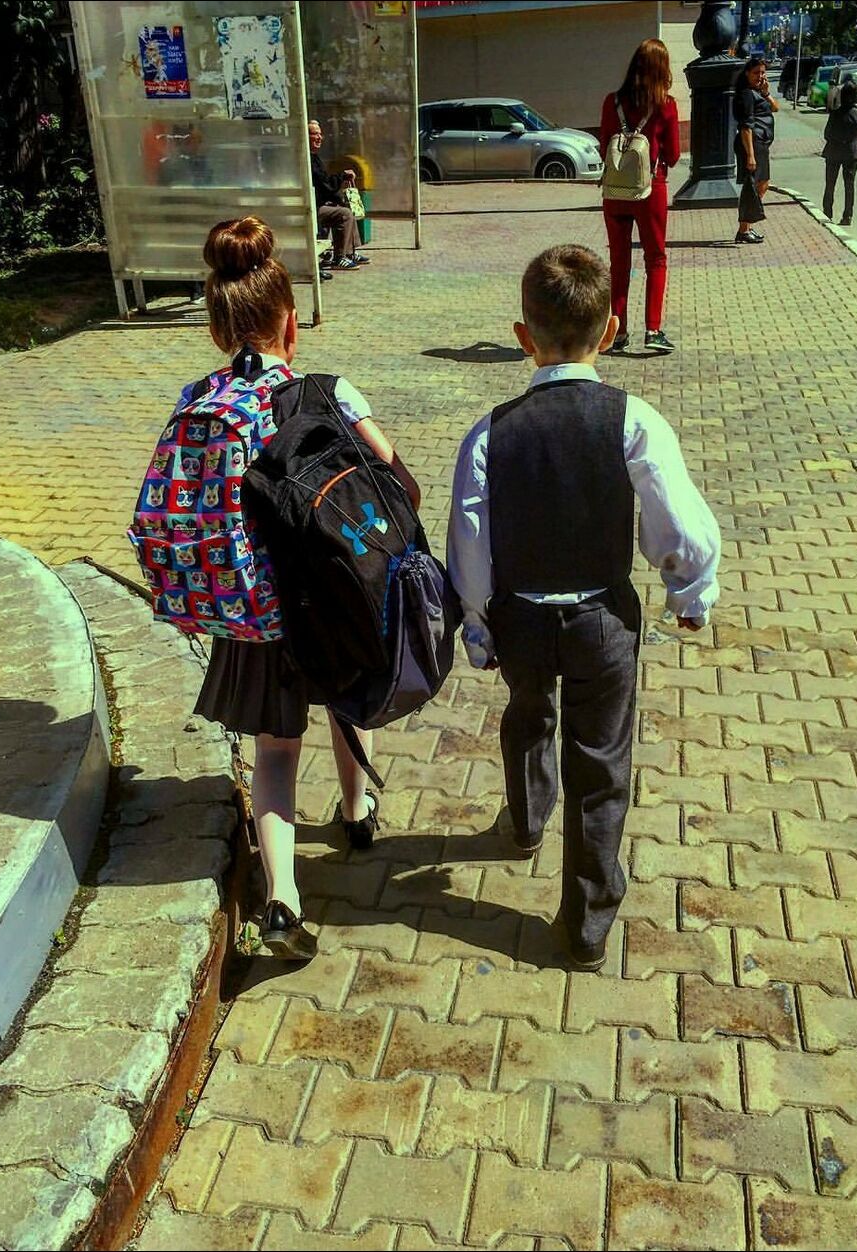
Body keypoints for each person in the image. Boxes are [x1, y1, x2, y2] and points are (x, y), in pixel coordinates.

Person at [447, 244, 720, 970]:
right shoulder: (634, 420)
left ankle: (526, 820)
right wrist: (689, 591)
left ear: (522, 336)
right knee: (601, 766)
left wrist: (477, 623)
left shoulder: (490, 432)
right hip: (603, 618)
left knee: (527, 712)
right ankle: (588, 924)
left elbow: (469, 541)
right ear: (611, 329)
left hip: (521, 617)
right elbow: (677, 520)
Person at [192, 216, 420, 960]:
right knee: (350, 705)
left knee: (275, 756)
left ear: (219, 328)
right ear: (291, 324)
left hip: (257, 611)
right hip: (336, 597)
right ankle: (357, 811)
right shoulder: (328, 391)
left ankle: (283, 903)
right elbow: (401, 483)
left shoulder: (200, 402)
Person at [599, 38, 681, 355]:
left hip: (615, 192)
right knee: (655, 258)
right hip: (650, 190)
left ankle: (618, 331)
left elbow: (605, 146)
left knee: (619, 263)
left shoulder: (611, 102)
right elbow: (673, 155)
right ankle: (653, 329)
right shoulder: (666, 105)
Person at [308, 119, 370, 271]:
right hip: (311, 208)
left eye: (320, 134)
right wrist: (342, 176)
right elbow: (325, 185)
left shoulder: (313, 157)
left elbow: (324, 185)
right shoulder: (307, 159)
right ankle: (340, 257)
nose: (319, 138)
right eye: (315, 134)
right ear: (305, 136)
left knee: (345, 207)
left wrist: (339, 199)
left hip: (316, 204)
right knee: (344, 214)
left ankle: (350, 253)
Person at [734, 55, 779, 244]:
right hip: (752, 144)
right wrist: (750, 155)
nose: (760, 76)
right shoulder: (746, 94)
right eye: (756, 73)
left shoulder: (757, 92)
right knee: (754, 186)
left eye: (762, 72)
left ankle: (747, 227)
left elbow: (775, 108)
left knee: (761, 184)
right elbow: (746, 126)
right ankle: (744, 229)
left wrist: (766, 92)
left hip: (761, 143)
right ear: (747, 74)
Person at [821, 79, 857, 226]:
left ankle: (827, 212)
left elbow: (827, 134)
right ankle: (847, 216)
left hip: (833, 151)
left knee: (830, 184)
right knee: (849, 185)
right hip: (851, 152)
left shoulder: (835, 114)